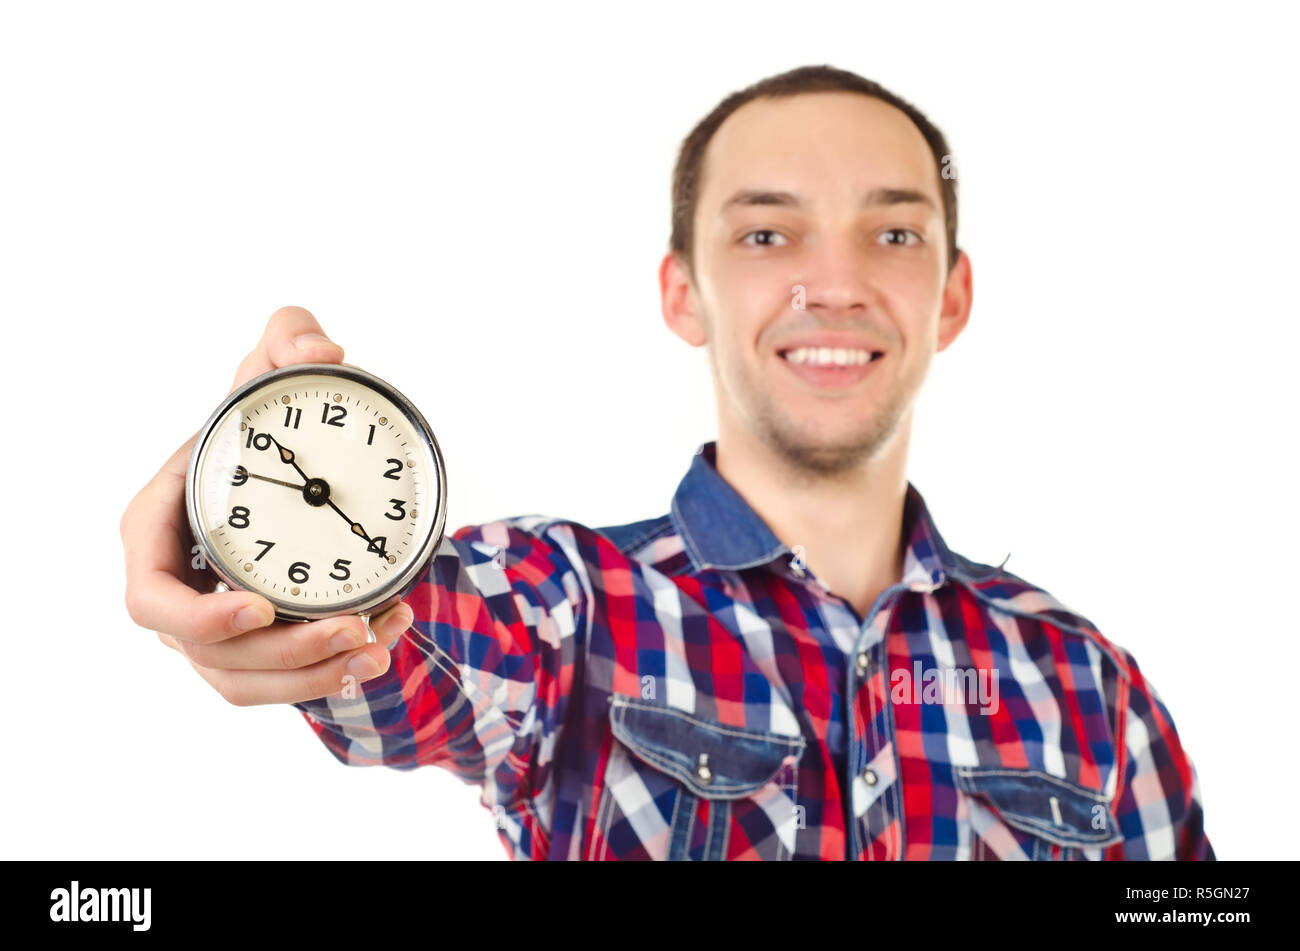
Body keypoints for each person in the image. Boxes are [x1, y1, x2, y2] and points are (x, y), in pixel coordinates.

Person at [120, 64, 1212, 860]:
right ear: (681, 293)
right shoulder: (566, 611)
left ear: (952, 295)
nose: (831, 283)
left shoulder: (1090, 686)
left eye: (891, 234)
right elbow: (410, 652)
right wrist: (248, 554)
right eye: (765, 234)